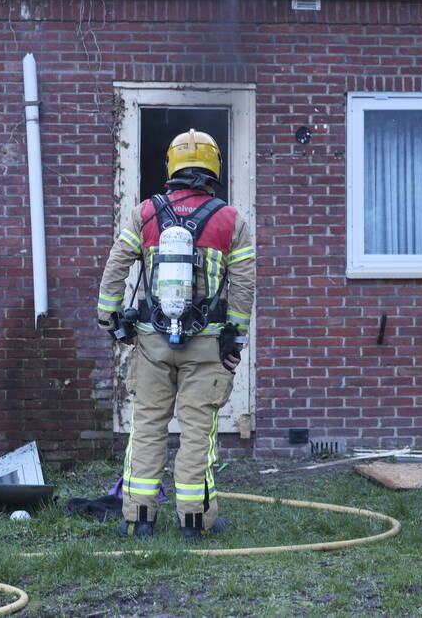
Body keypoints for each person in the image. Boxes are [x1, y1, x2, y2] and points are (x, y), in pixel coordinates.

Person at [97, 129, 255, 540]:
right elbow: (243, 285)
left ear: (172, 166)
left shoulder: (145, 213)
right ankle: (193, 522)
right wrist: (234, 337)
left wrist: (110, 318)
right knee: (197, 431)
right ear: (213, 167)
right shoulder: (231, 220)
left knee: (147, 427)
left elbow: (116, 264)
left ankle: (139, 519)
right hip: (206, 346)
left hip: (151, 342)